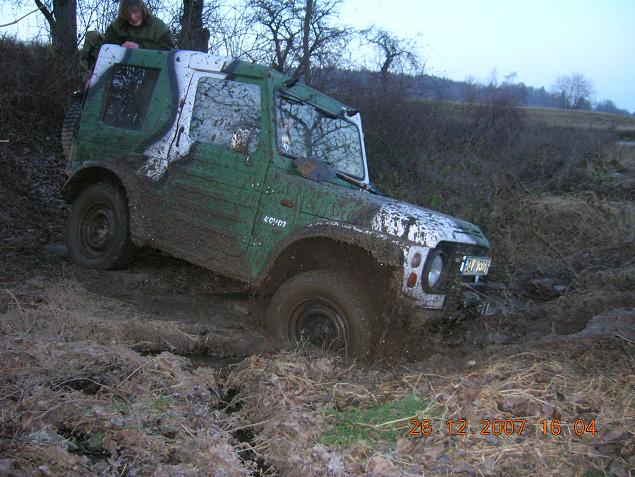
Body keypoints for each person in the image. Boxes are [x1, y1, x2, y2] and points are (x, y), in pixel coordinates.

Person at [80, 0, 174, 77]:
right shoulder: (116, 27)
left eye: (135, 12)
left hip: (151, 73)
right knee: (92, 35)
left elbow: (170, 51)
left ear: (142, 8)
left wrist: (139, 47)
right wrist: (93, 76)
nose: (133, 18)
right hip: (121, 72)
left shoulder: (158, 26)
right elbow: (105, 53)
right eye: (128, 15)